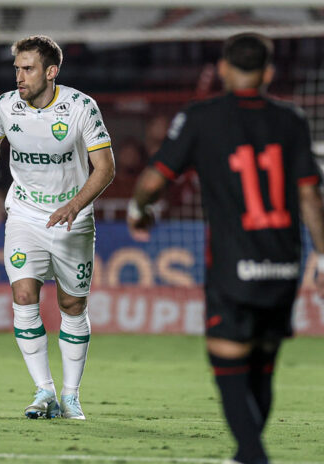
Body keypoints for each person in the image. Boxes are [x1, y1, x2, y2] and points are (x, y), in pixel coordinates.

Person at [127, 33, 324, 464]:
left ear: (223, 69)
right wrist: (323, 258)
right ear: (269, 72)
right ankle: (244, 456)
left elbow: (154, 180)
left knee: (229, 363)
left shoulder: (201, 118)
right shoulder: (292, 121)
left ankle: (253, 456)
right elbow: (311, 196)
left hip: (235, 264)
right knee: (263, 364)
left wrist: (138, 209)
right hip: (285, 262)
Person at [0, 35, 115, 420]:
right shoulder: (6, 106)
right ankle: (44, 391)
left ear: (51, 71)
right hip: (24, 213)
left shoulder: (80, 108)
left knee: (72, 305)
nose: (19, 76)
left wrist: (74, 205)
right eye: (17, 68)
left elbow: (105, 168)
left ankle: (71, 396)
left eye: (28, 68)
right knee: (23, 296)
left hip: (73, 216)